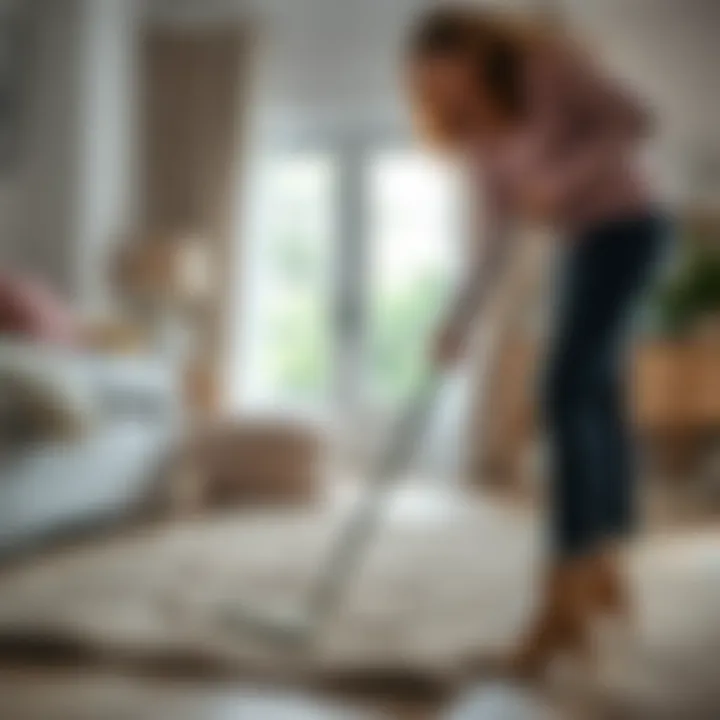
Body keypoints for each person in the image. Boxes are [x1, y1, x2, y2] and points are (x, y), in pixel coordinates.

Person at [405, 4, 669, 677]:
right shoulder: (477, 138)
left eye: (450, 69)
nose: (448, 89)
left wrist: (560, 182)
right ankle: (603, 573)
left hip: (631, 228)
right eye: (432, 83)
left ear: (473, 50)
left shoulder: (543, 66)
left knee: (562, 388)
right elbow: (488, 241)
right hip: (585, 243)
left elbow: (637, 120)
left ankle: (563, 596)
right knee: (595, 394)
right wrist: (456, 323)